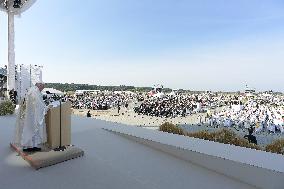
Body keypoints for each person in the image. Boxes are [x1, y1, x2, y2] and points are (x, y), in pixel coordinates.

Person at [13, 83, 48, 152]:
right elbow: (39, 105)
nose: (42, 90)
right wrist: (46, 108)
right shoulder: (35, 92)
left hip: (28, 114)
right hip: (32, 115)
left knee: (30, 130)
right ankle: (29, 147)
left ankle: (31, 146)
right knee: (32, 130)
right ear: (39, 85)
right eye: (42, 88)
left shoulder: (31, 90)